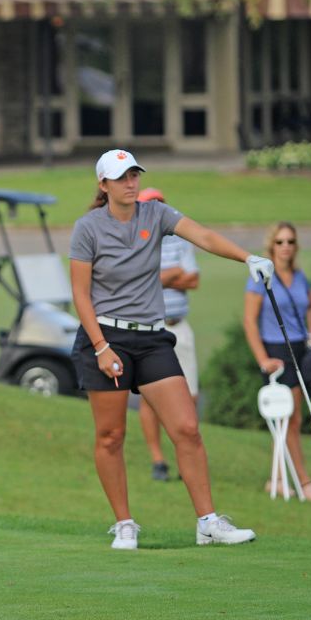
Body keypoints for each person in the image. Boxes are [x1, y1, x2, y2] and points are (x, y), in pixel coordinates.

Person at [69, 148, 268, 550]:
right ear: (103, 185)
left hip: (153, 338)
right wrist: (101, 347)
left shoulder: (156, 214)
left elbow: (205, 236)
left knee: (187, 428)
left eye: (135, 175)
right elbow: (80, 293)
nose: (131, 183)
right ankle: (124, 524)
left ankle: (208, 522)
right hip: (106, 337)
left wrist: (247, 258)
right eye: (122, 177)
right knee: (111, 435)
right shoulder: (88, 228)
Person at [242, 222, 311, 501]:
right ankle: (303, 481)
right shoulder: (261, 278)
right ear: (271, 246)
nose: (285, 246)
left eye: (290, 241)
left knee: (291, 418)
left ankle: (277, 478)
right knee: (289, 418)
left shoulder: (300, 277)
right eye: (280, 242)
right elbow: (249, 322)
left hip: (300, 348)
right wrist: (261, 358)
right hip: (276, 351)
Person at [135, 188, 201, 482]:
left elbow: (193, 279)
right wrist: (172, 275)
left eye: (161, 203)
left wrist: (162, 277)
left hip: (178, 324)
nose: (158, 209)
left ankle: (185, 458)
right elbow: (138, 281)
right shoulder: (136, 239)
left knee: (191, 396)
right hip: (151, 328)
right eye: (151, 204)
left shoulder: (178, 239)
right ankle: (158, 460)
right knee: (150, 399)